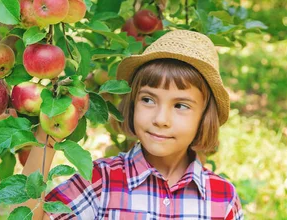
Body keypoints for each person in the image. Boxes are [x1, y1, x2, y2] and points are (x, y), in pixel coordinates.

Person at [18, 30, 243, 220]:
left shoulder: (222, 198)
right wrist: (45, 136)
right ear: (133, 104)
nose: (161, 119)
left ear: (204, 117)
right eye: (148, 100)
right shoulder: (100, 181)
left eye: (181, 105)